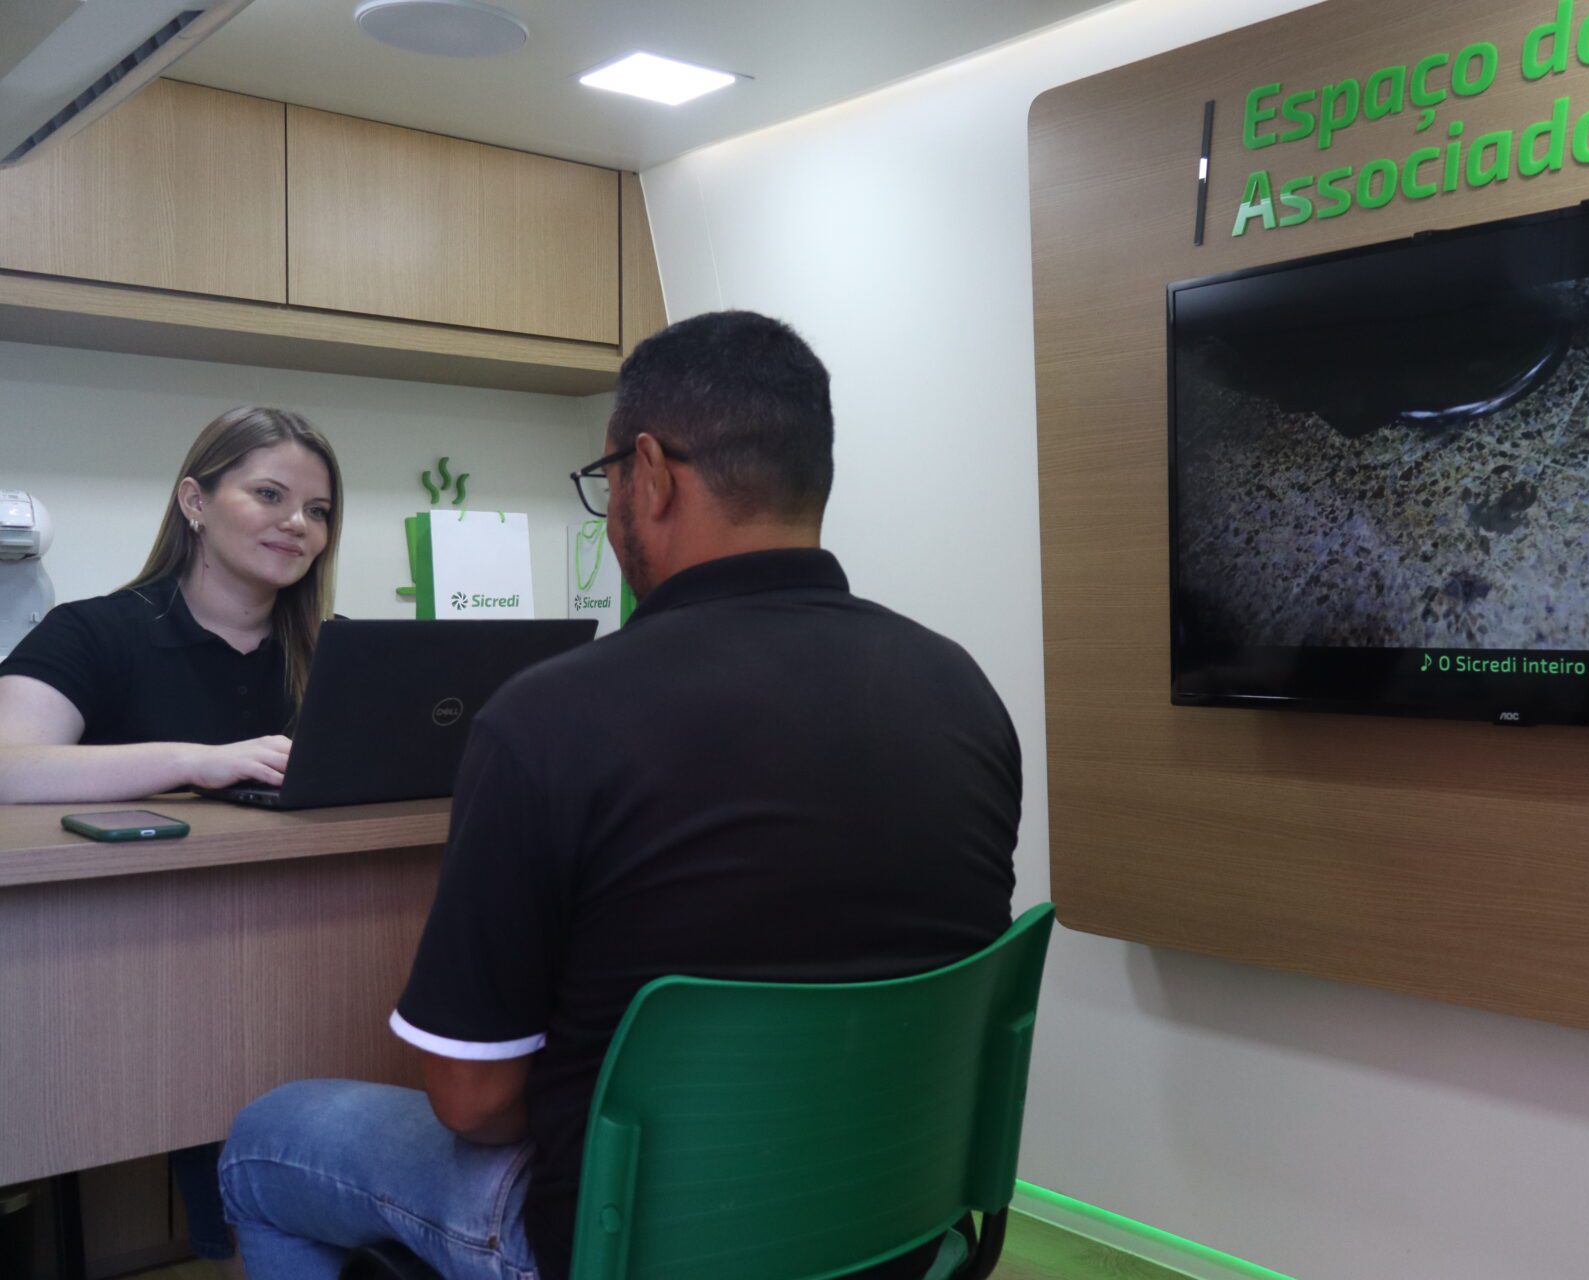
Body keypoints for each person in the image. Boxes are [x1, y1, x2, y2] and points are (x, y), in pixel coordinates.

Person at [218, 311, 1022, 1280]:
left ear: (650, 472)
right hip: (897, 1225)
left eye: (605, 482)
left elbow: (472, 1100)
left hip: (632, 1240)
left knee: (266, 1141)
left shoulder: (551, 716)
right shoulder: (962, 689)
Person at [0, 405, 344, 1274]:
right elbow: (5, 763)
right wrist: (194, 760)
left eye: (318, 510)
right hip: (137, 970)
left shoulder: (335, 656)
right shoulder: (95, 631)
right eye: (270, 495)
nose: (298, 525)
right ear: (194, 500)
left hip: (314, 944)